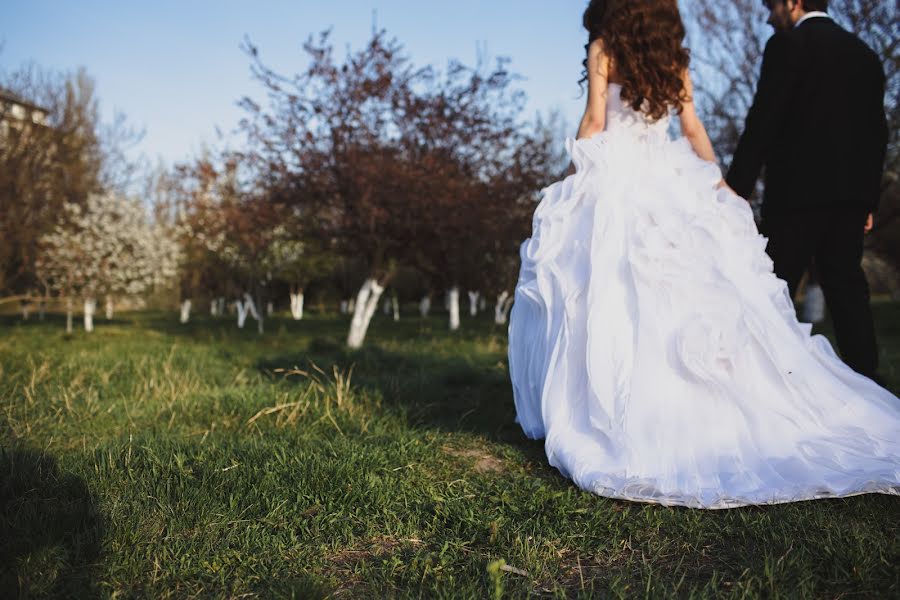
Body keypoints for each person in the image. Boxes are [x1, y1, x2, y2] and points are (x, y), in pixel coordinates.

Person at [507, 0, 899, 509]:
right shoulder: (677, 57)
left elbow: (595, 121)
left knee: (612, 287)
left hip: (626, 179)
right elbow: (692, 130)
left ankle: (620, 403)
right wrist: (719, 188)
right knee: (707, 289)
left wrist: (573, 177)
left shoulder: (605, 47)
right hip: (682, 176)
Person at [726, 0, 889, 382]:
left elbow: (763, 121)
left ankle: (763, 379)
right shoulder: (865, 55)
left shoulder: (786, 45)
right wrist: (868, 199)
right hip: (850, 197)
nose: (769, 16)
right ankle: (867, 381)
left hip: (795, 197)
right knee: (848, 288)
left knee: (773, 286)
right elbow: (876, 135)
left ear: (793, 2)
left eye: (771, 5)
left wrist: (735, 191)